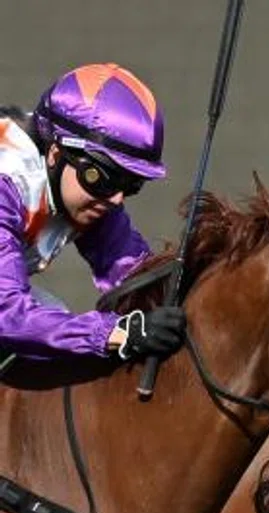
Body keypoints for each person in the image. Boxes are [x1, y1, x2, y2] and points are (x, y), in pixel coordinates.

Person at [0, 63, 184, 376]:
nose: (116, 199)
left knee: (55, 322)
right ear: (57, 154)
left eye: (131, 185)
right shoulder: (7, 182)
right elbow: (7, 316)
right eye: (104, 178)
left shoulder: (88, 193)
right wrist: (117, 333)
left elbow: (135, 276)